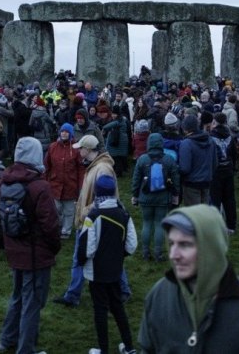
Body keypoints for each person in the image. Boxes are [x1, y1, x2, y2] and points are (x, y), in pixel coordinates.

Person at [138, 204, 239, 353]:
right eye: (171, 244)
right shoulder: (159, 296)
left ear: (211, 248)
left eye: (185, 245)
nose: (173, 255)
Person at [0, 137, 61, 354]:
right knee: (33, 302)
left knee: (17, 297)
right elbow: (50, 224)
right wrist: (54, 247)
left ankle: (7, 339)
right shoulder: (40, 187)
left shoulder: (3, 182)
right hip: (36, 253)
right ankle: (26, 349)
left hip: (14, 249)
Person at [53, 135, 131, 307]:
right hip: (92, 219)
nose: (78, 151)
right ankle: (74, 294)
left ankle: (121, 290)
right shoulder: (96, 166)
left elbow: (104, 198)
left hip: (95, 220)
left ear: (88, 149)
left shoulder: (102, 169)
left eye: (81, 148)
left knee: (93, 257)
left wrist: (85, 210)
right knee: (102, 257)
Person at [79, 175, 138, 354]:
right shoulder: (124, 213)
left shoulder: (94, 215)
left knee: (100, 310)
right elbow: (132, 245)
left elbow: (87, 248)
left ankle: (103, 349)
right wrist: (118, 256)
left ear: (97, 193)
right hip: (115, 269)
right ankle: (129, 347)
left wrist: (82, 262)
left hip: (97, 271)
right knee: (118, 306)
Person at [131, 133, 180, 261]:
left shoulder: (142, 159)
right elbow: (176, 179)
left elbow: (136, 180)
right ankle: (159, 254)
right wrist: (176, 194)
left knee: (146, 223)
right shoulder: (169, 159)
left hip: (146, 197)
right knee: (159, 224)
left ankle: (145, 253)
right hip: (163, 198)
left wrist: (135, 195)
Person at [43, 123, 85, 239]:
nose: (64, 133)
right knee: (56, 209)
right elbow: (47, 166)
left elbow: (81, 169)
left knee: (69, 210)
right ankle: (58, 226)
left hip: (70, 185)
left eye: (66, 132)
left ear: (71, 134)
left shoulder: (76, 149)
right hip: (55, 184)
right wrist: (45, 181)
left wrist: (81, 185)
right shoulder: (53, 147)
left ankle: (66, 231)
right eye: (62, 131)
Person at [178, 114, 217, 206]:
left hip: (191, 184)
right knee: (204, 214)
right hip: (206, 182)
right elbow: (215, 163)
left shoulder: (186, 144)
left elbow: (184, 168)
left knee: (193, 215)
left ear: (185, 128)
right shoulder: (211, 141)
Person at [209, 112, 237, 233]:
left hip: (216, 171)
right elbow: (234, 154)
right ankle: (231, 225)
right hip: (228, 169)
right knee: (229, 199)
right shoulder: (230, 136)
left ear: (215, 122)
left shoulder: (210, 137)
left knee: (215, 199)